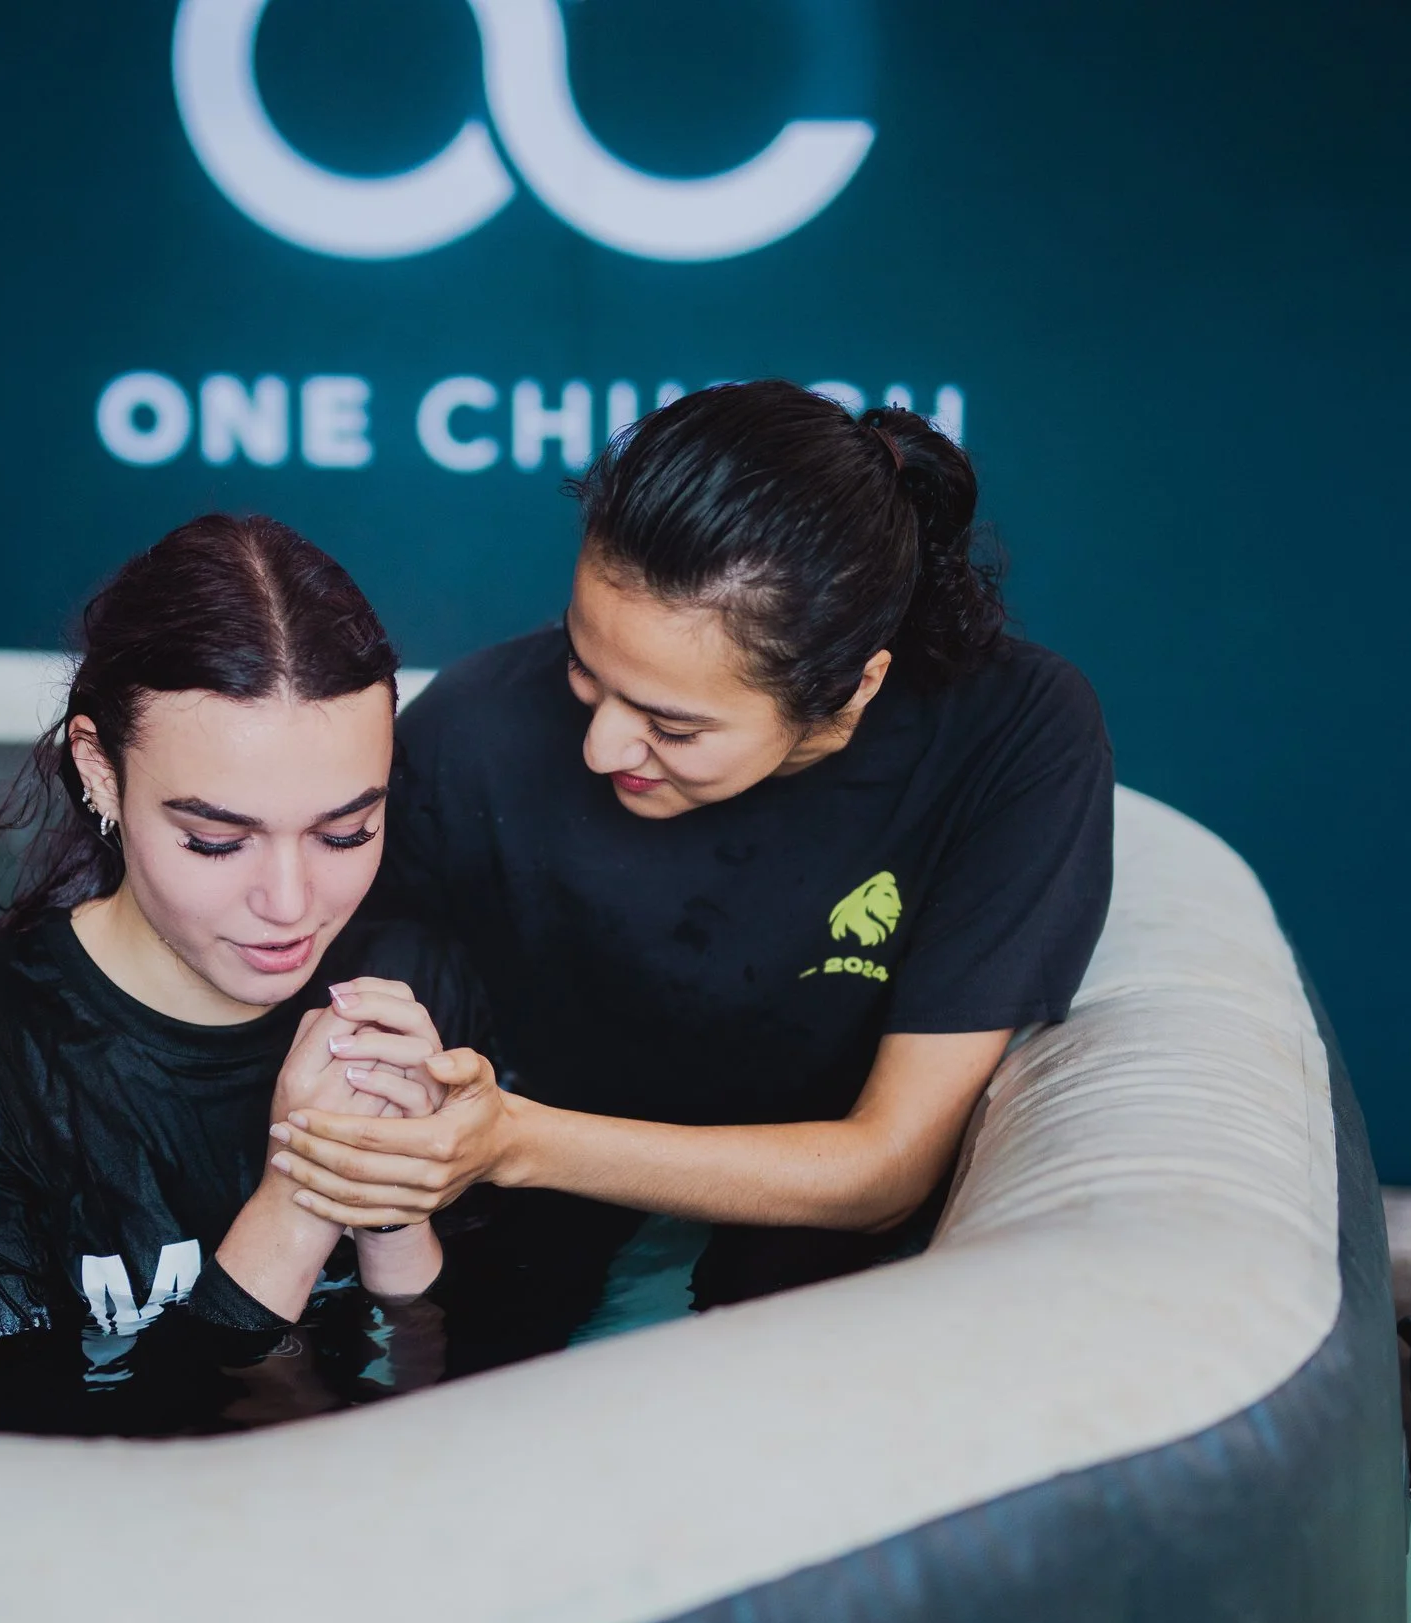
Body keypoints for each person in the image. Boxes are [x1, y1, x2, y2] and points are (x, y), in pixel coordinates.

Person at [261, 380, 1116, 1346]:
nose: (601, 748)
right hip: (508, 1205)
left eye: (672, 725)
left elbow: (886, 1170)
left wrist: (515, 1139)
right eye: (584, 668)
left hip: (789, 1215)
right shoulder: (475, 736)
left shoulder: (1013, 736)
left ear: (850, 688)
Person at [0, 512, 483, 1434]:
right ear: (99, 770)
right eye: (215, 839)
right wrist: (300, 1196)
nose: (290, 902)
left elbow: (486, 1395)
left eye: (346, 830)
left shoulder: (415, 983)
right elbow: (5, 1453)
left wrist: (392, 1203)